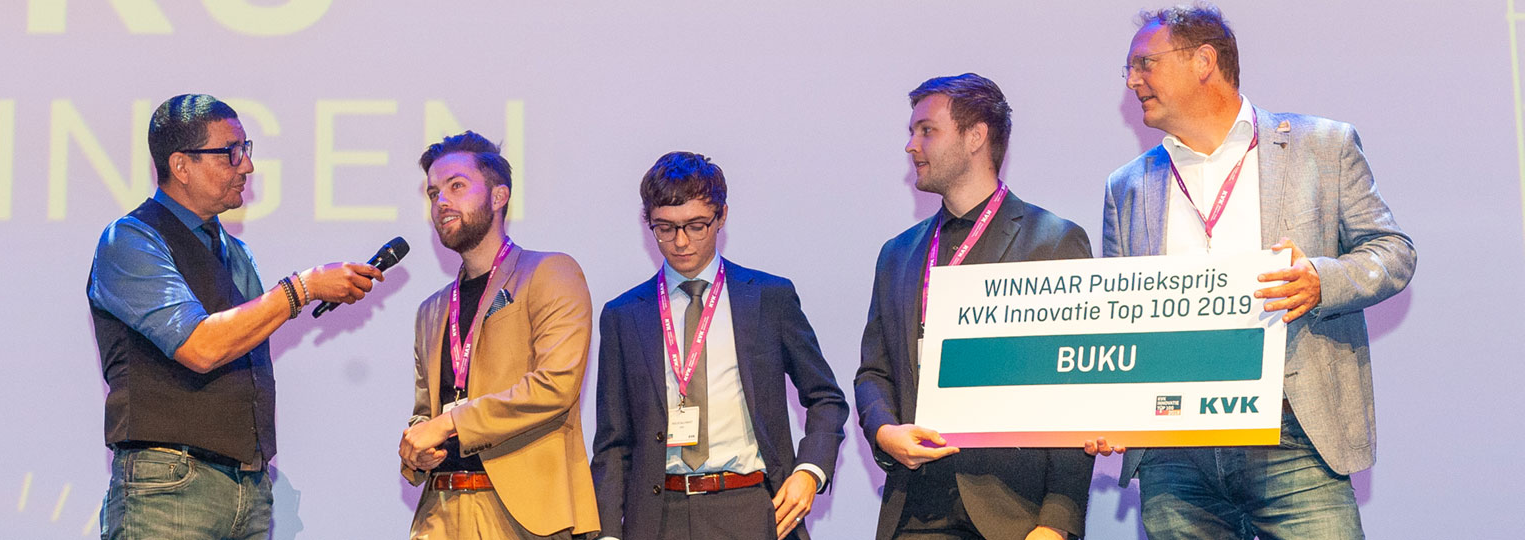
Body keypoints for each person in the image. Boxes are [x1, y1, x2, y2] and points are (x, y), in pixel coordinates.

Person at [1087, 5, 1416, 539]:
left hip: (1291, 434)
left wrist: (1321, 279)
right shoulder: (1127, 186)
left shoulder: (1322, 146)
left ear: (1204, 61)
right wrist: (1109, 407)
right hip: (1173, 451)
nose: (1132, 81)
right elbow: (1118, 319)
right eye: (1129, 68)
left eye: (1145, 63)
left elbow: (1393, 251)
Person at [87, 94, 385, 540]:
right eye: (231, 152)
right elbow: (200, 346)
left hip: (248, 488)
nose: (246, 165)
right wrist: (302, 288)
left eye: (245, 150)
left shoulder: (235, 251)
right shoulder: (130, 240)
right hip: (169, 487)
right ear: (181, 165)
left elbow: (243, 337)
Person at [851, 74, 1094, 540]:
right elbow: (873, 372)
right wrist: (884, 432)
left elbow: (1073, 388)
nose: (911, 145)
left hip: (1013, 515)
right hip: (913, 512)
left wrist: (1057, 521)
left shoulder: (1052, 242)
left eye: (926, 130)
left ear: (976, 136)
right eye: (911, 131)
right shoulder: (897, 254)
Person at [589, 152, 849, 540]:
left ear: (721, 216)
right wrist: (608, 534)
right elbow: (612, 443)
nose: (680, 242)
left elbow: (826, 398)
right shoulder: (624, 314)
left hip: (750, 507)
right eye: (665, 228)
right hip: (658, 517)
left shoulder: (769, 298)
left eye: (696, 226)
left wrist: (809, 472)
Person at [397, 131, 600, 539]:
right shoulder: (432, 310)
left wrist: (449, 423)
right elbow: (426, 411)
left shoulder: (550, 273)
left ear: (498, 196)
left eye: (456, 186)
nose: (441, 202)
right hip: (439, 513)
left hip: (522, 517)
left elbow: (554, 387)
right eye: (434, 193)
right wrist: (415, 449)